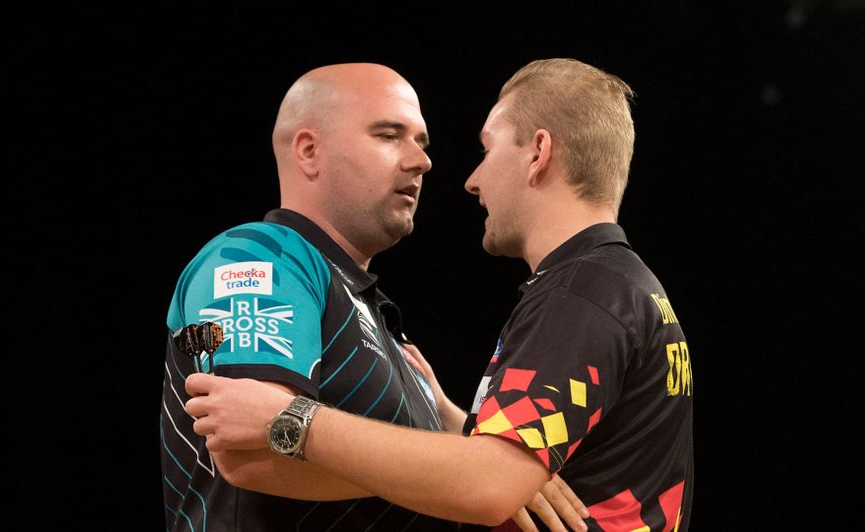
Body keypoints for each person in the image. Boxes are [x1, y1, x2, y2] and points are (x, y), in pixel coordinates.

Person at [185, 58, 695, 531]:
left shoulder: (584, 292)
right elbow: (246, 452)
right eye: (388, 135)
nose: (427, 163)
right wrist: (467, 466)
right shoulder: (258, 259)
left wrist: (480, 472)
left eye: (423, 141)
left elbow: (484, 482)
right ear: (309, 151)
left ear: (538, 154)